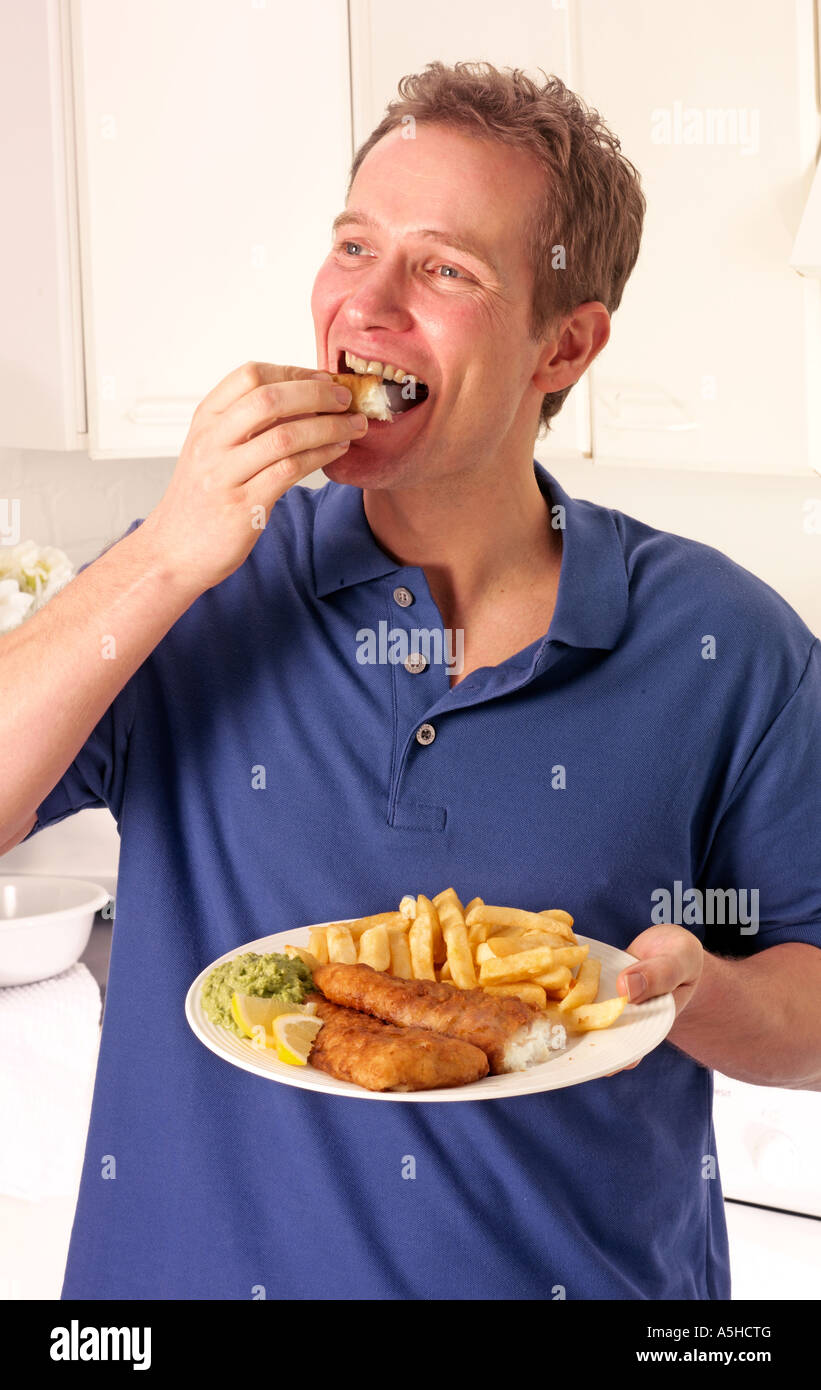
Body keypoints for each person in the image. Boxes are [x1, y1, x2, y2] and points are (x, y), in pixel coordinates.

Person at [2, 62, 819, 1301]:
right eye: (352, 245)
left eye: (443, 268)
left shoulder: (725, 644)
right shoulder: (192, 580)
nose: (365, 304)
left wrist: (693, 996)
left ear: (567, 343)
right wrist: (168, 551)